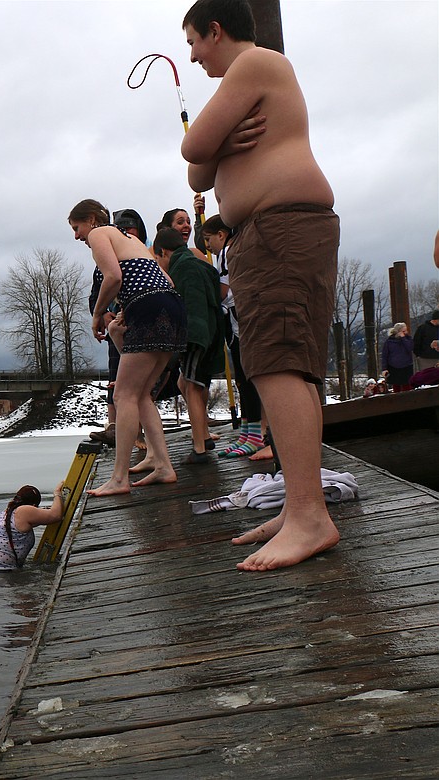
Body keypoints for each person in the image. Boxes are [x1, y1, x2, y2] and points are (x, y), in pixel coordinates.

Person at [181, 0, 340, 571]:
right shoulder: (248, 79)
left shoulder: (255, 63)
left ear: (216, 30)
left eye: (194, 42)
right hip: (272, 230)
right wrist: (220, 146)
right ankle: (302, 504)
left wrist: (213, 143)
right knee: (282, 363)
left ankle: (309, 516)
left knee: (278, 363)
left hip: (282, 227)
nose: (194, 56)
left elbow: (192, 150)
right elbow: (199, 174)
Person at [70, 199, 186, 495]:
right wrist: (127, 310)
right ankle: (163, 465)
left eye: (77, 227)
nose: (77, 236)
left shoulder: (100, 233)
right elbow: (167, 279)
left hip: (148, 308)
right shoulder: (131, 239)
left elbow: (114, 277)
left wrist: (97, 314)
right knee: (141, 395)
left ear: (93, 219)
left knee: (123, 396)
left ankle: (119, 478)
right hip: (172, 306)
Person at [153, 227, 225, 464]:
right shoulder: (200, 264)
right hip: (212, 332)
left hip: (195, 335)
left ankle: (200, 449)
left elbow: (188, 305)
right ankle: (204, 435)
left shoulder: (183, 268)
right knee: (184, 381)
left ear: (163, 251)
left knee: (192, 386)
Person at [204, 213, 267, 457]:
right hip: (233, 322)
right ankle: (248, 431)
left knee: (250, 378)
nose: (207, 245)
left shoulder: (230, 252)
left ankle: (256, 434)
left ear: (221, 234)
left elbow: (224, 290)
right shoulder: (223, 254)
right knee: (242, 379)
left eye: (209, 239)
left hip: (243, 320)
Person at [89, 208, 150, 448]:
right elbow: (95, 294)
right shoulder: (103, 262)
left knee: (140, 383)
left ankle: (138, 430)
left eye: (131, 230)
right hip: (115, 329)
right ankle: (114, 426)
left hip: (141, 324)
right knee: (116, 377)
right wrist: (102, 314)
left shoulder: (143, 255)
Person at [0, 482, 66, 572]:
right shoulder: (24, 511)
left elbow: (43, 517)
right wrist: (57, 493)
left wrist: (45, 511)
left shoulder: (9, 512)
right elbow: (56, 516)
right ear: (34, 505)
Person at [381, 323, 415, 393]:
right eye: (404, 331)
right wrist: (384, 368)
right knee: (396, 387)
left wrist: (403, 338)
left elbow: (410, 348)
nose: (406, 332)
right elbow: (384, 355)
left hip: (407, 366)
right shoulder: (389, 342)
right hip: (393, 367)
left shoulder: (408, 339)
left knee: (407, 386)